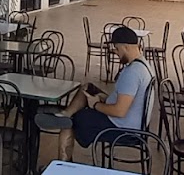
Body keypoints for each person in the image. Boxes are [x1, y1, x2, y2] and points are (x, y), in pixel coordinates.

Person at [35, 26, 154, 162]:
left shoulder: (132, 73)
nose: (115, 53)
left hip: (123, 129)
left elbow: (119, 111)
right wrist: (104, 98)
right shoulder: (144, 66)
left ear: (125, 47)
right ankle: (66, 113)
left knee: (75, 120)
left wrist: (95, 105)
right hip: (135, 124)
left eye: (116, 49)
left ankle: (62, 164)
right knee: (88, 88)